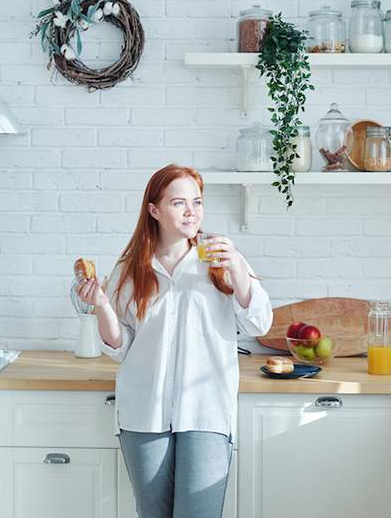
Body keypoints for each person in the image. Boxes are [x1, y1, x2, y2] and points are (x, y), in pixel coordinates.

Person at [76, 164, 273, 518]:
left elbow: (259, 323)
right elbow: (121, 347)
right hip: (143, 413)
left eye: (197, 202)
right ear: (154, 210)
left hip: (206, 411)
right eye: (178, 203)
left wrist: (239, 272)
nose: (191, 212)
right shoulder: (129, 269)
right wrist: (102, 306)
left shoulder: (222, 259)